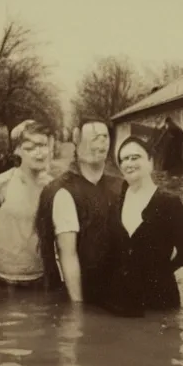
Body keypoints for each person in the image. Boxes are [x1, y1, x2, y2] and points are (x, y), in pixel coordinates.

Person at [35, 117, 122, 305]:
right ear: (77, 139)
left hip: (115, 293)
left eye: (104, 137)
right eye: (94, 137)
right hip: (78, 295)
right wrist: (77, 309)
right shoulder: (62, 190)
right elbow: (68, 255)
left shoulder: (119, 185)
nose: (100, 143)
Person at [106, 135, 183, 317]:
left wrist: (160, 273)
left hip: (159, 299)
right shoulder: (115, 201)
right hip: (122, 300)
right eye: (124, 159)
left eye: (135, 157)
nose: (129, 163)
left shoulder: (170, 203)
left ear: (151, 162)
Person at [0, 119, 53, 293]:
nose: (39, 153)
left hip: (42, 282)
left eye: (44, 145)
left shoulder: (54, 189)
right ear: (17, 150)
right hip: (4, 283)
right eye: (30, 148)